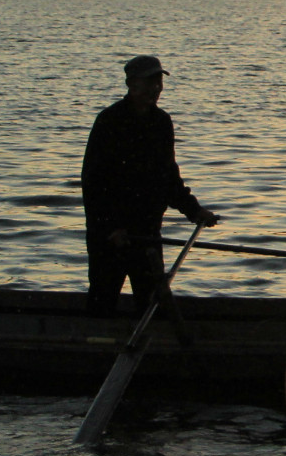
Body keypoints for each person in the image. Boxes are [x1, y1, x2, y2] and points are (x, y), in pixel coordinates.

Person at [80, 54, 219, 316]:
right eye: (149, 82)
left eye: (158, 82)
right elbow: (93, 183)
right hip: (110, 235)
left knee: (152, 302)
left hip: (146, 230)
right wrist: (110, 227)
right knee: (102, 300)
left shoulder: (161, 122)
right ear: (131, 84)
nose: (155, 88)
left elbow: (169, 178)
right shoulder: (109, 121)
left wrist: (194, 211)